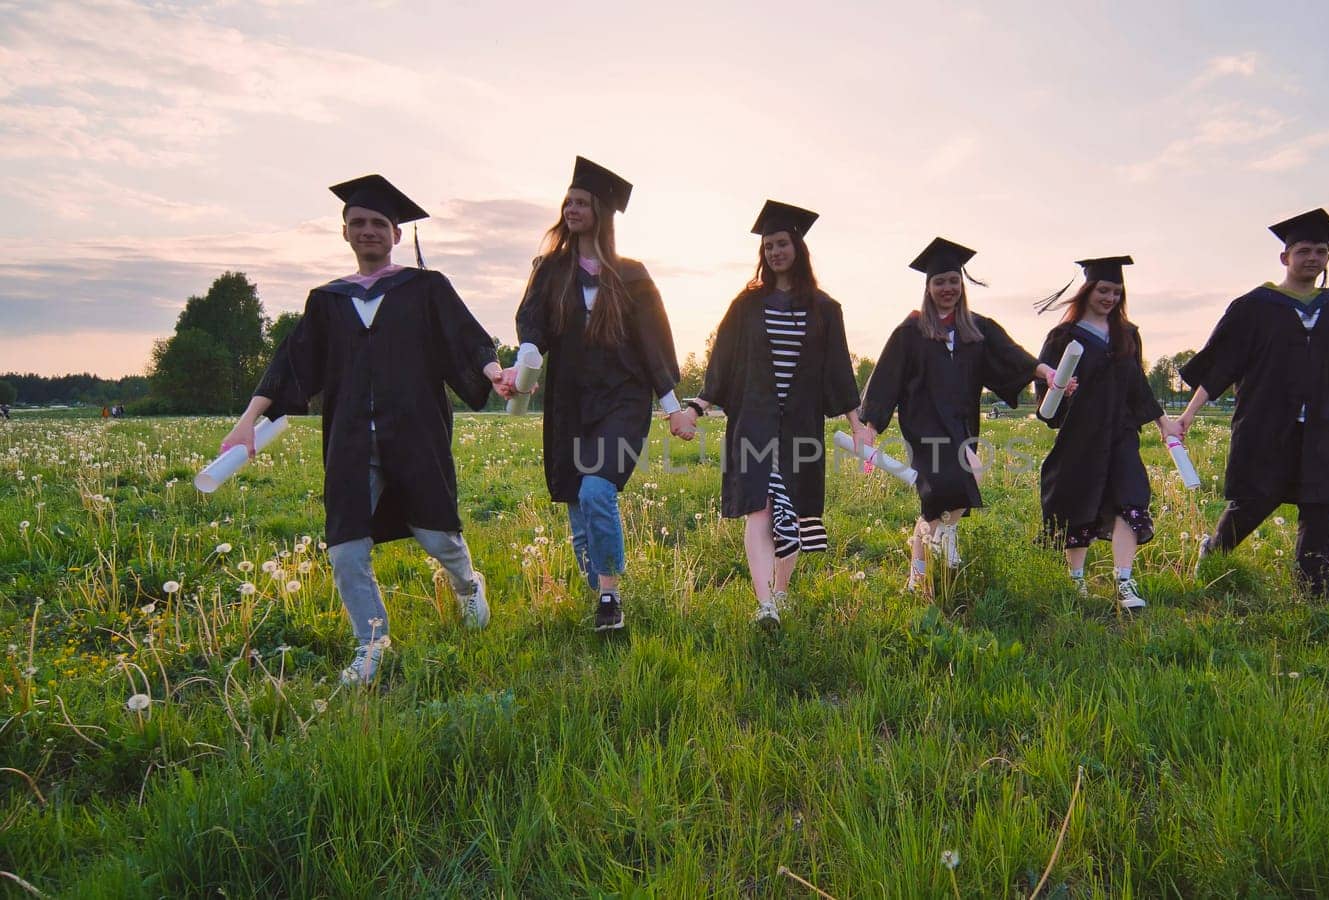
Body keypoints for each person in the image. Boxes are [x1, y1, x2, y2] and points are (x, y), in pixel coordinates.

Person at [222, 174, 509, 685]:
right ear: (345, 232)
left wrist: (494, 373)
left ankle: (467, 587)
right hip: (352, 442)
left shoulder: (425, 288)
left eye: (379, 223)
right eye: (358, 222)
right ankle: (371, 641)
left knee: (438, 536)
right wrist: (247, 421)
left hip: (416, 435)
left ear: (396, 234)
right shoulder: (327, 301)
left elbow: (467, 339)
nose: (368, 230)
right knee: (345, 546)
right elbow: (290, 363)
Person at [508, 157, 694, 632]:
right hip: (569, 400)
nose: (571, 208)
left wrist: (672, 409)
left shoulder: (631, 275)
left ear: (601, 212)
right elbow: (532, 325)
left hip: (622, 401)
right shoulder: (550, 270)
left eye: (582, 202)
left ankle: (610, 597)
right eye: (567, 201)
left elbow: (654, 343)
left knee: (596, 490)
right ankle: (600, 581)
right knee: (577, 506)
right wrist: (523, 362)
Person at [681, 201, 867, 626]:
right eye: (767, 246)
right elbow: (722, 360)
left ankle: (781, 593)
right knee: (759, 507)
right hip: (753, 421)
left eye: (781, 243)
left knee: (795, 510)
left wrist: (857, 425)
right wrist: (698, 405)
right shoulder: (747, 305)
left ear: (797, 247)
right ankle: (765, 604)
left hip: (801, 425)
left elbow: (839, 369)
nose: (774, 252)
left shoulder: (825, 308)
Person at [1176, 208, 1329, 599]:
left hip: (1323, 425)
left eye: (1321, 251)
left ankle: (1313, 587)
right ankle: (1214, 555)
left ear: (1328, 259)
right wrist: (1188, 415)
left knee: (1323, 504)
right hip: (1266, 423)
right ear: (1285, 257)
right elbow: (1221, 365)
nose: (1313, 258)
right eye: (1304, 250)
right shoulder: (1255, 306)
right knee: (1253, 498)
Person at [858, 238, 1055, 594]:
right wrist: (870, 426)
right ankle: (939, 564)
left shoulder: (977, 329)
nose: (947, 289)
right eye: (939, 282)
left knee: (941, 503)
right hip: (924, 425)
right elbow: (886, 378)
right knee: (958, 482)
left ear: (961, 286)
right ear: (928, 287)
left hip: (962, 424)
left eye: (953, 281)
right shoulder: (911, 331)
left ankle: (918, 574)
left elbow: (1014, 356)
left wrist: (1045, 372)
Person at [1033, 256, 1179, 611]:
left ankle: (1124, 581)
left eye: (1116, 291)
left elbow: (1139, 386)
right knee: (1076, 501)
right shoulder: (1062, 337)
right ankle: (1076, 582)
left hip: (1121, 433)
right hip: (1080, 434)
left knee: (1131, 499)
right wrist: (1061, 391)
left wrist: (1164, 423)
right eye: (1103, 290)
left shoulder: (1127, 335)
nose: (1110, 297)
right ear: (1087, 291)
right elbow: (1045, 396)